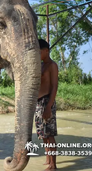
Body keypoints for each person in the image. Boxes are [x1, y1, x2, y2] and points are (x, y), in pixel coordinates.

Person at [35, 39, 58, 170]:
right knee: (43, 135)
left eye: (39, 51)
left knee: (49, 135)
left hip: (46, 101)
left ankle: (53, 165)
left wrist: (49, 106)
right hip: (38, 103)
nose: (37, 54)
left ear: (46, 51)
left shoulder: (52, 65)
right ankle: (48, 159)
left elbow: (54, 86)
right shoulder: (41, 65)